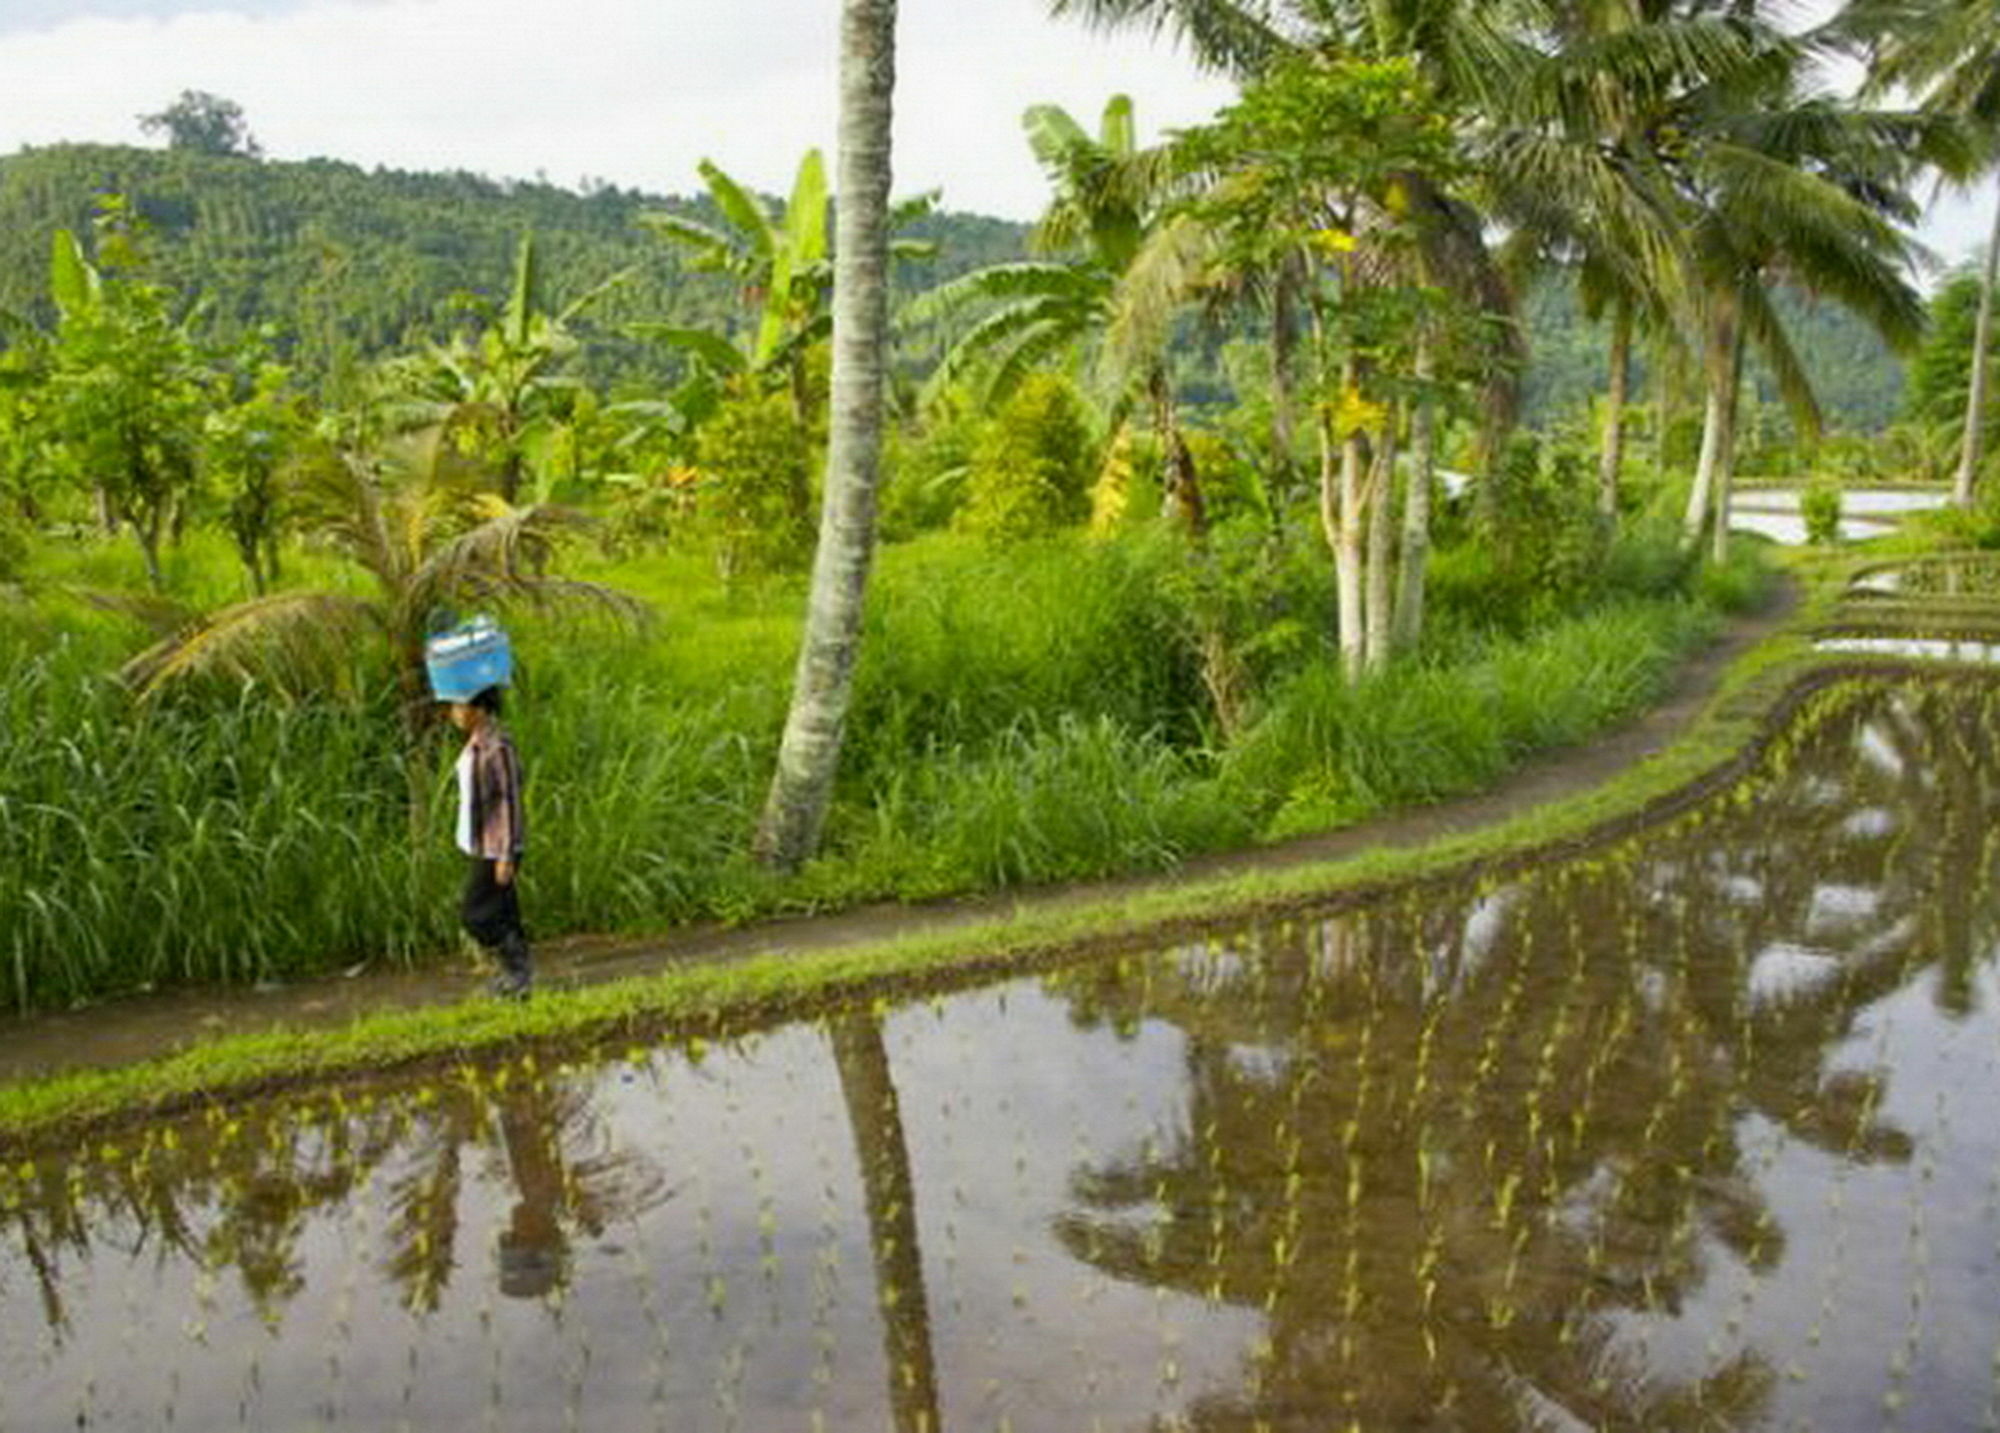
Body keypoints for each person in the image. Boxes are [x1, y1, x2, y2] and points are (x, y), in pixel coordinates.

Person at [446, 685, 534, 998]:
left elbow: (510, 802)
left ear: (479, 709)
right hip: (481, 842)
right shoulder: (476, 743)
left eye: (459, 706)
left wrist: (506, 855)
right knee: (505, 912)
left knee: (476, 915)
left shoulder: (499, 747)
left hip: (498, 846)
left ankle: (517, 971)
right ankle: (516, 980)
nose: (454, 713)